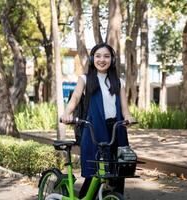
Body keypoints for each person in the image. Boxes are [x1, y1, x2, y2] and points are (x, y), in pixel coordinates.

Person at [61, 43, 134, 198]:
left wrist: (128, 117)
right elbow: (74, 99)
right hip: (95, 128)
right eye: (98, 56)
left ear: (112, 60)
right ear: (93, 58)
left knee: (118, 169)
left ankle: (114, 196)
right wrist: (67, 113)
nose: (102, 59)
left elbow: (124, 108)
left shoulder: (118, 82)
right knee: (96, 172)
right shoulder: (85, 79)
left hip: (116, 129)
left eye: (106, 56)